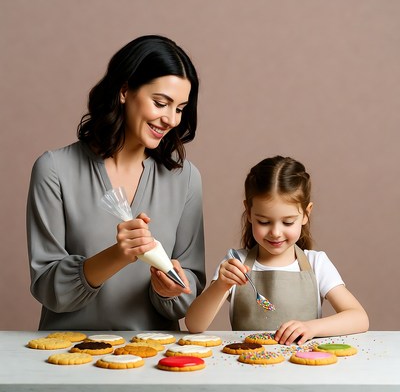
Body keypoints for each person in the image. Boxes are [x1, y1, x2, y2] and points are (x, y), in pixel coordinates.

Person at [27, 35, 206, 331]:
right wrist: (118, 254)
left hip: (156, 361)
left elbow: (191, 286)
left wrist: (170, 289)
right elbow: (47, 287)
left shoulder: (185, 178)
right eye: (161, 103)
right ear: (124, 90)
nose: (171, 119)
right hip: (70, 359)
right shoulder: (54, 170)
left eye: (180, 108)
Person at [185, 156, 369, 344]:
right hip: (247, 369)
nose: (275, 233)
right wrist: (220, 285)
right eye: (264, 222)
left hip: (303, 369)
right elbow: (194, 325)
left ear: (306, 214)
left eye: (288, 222)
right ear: (248, 213)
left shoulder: (316, 264)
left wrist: (312, 327)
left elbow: (359, 318)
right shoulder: (236, 262)